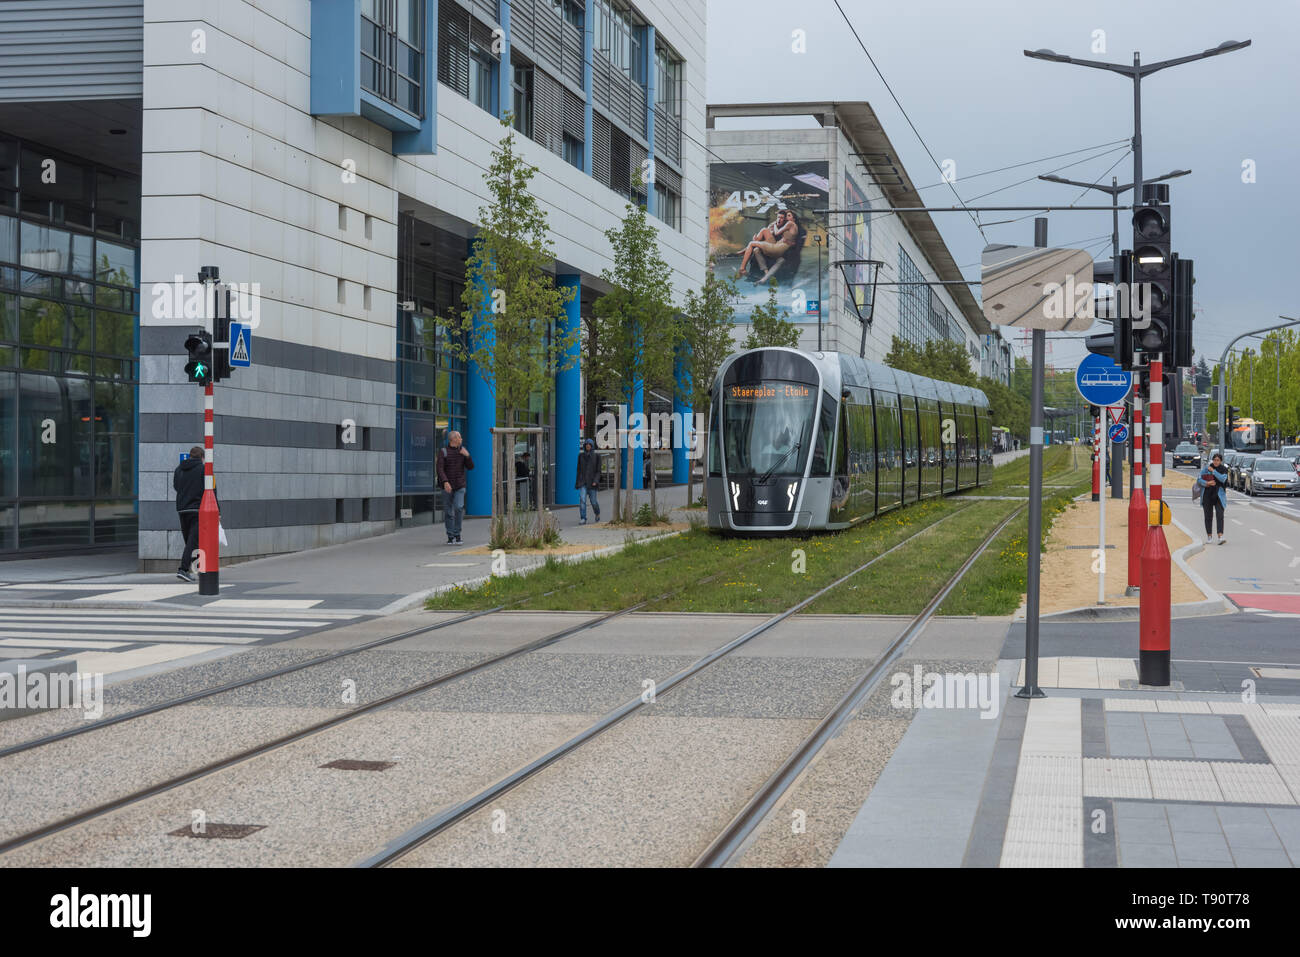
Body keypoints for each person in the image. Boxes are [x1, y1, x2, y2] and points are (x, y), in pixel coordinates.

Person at [173, 446, 206, 582]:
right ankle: (183, 569)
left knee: (190, 541)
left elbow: (176, 487)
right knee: (193, 541)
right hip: (197, 510)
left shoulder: (178, 469)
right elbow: (211, 489)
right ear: (202, 457)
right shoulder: (204, 469)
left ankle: (199, 568)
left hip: (182, 509)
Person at [436, 431, 473, 544]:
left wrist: (467, 456)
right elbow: (440, 469)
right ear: (454, 439)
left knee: (458, 507)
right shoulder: (443, 452)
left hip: (460, 486)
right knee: (448, 511)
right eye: (460, 437)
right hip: (447, 486)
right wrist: (445, 482)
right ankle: (450, 536)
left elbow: (471, 467)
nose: (461, 439)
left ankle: (457, 534)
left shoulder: (463, 451)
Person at [1197, 452, 1229, 545]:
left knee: (1220, 515)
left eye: (1218, 460)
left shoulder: (1223, 469)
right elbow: (1199, 479)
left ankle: (1220, 536)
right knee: (1208, 516)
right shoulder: (1206, 469)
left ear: (1221, 461)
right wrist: (1207, 483)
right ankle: (1209, 536)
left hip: (1219, 495)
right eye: (1214, 460)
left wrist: (1214, 471)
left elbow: (1223, 479)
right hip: (1207, 494)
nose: (1215, 462)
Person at [575, 439, 601, 524]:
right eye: (586, 445)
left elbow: (598, 471)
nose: (588, 446)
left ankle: (597, 513)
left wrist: (595, 481)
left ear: (592, 446)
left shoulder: (597, 456)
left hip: (592, 483)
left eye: (589, 445)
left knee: (593, 502)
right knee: (582, 500)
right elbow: (578, 470)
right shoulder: (581, 456)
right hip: (583, 482)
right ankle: (583, 518)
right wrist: (577, 482)